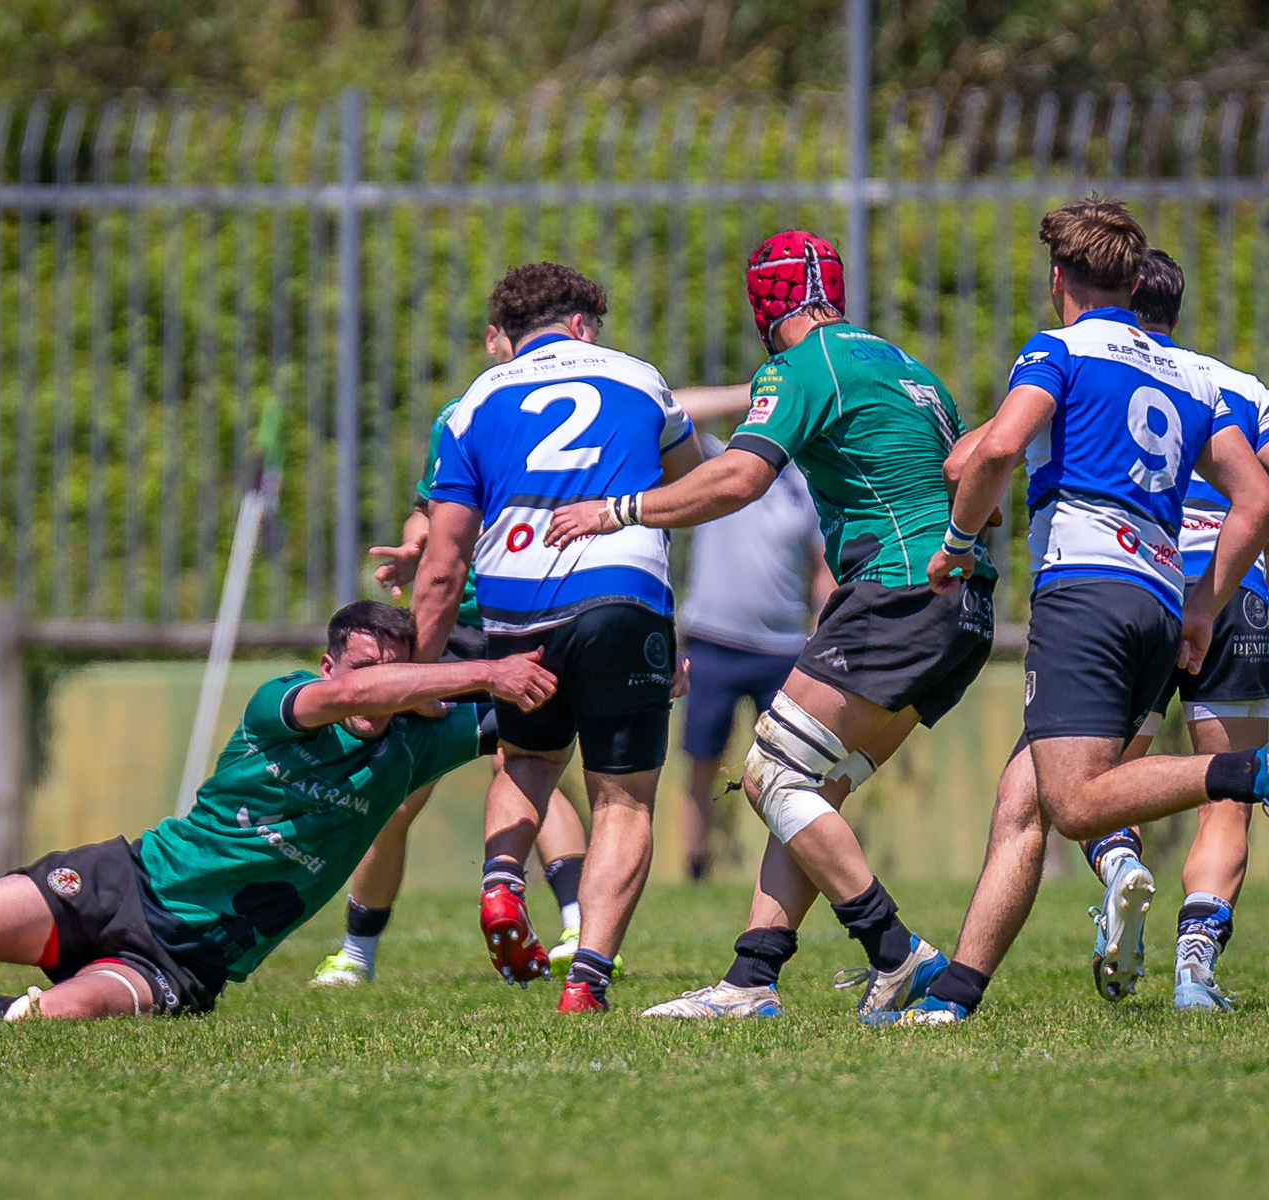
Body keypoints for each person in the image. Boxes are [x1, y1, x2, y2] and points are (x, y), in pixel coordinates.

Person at [0, 603, 557, 1025]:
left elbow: (539, 713)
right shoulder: (284, 700)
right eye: (365, 666)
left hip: (190, 958)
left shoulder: (413, 744)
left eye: (398, 669)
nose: (379, 686)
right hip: (122, 879)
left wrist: (639, 675)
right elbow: (375, 691)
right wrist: (481, 673)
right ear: (328, 664)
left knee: (47, 1024)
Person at [547, 230, 995, 1025]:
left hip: (898, 593)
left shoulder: (801, 365)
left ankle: (896, 951)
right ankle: (753, 978)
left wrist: (618, 510)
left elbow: (741, 478)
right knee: (807, 785)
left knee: (769, 777)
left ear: (764, 304)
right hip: (962, 603)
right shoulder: (904, 365)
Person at [895, 198, 1269, 1028]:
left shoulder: (1057, 351)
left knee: (1077, 806)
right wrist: (1204, 602)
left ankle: (1253, 772)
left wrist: (955, 541)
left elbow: (996, 448)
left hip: (1085, 592)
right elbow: (1263, 499)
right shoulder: (1194, 375)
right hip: (1159, 602)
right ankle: (955, 996)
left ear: (1059, 279)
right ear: (1136, 281)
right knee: (1025, 798)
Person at [412, 261, 701, 1013]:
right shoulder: (641, 378)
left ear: (510, 333)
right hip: (622, 590)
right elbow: (690, 493)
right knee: (623, 801)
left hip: (515, 602)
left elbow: (442, 567)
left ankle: (503, 886)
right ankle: (588, 981)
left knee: (527, 760)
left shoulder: (473, 403)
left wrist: (414, 676)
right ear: (582, 325)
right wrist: (667, 627)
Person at [1074, 249, 1269, 1013]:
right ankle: (1194, 970)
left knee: (1096, 781)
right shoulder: (1235, 386)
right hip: (1232, 597)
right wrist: (1229, 568)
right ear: (1177, 314)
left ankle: (1120, 867)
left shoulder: (1093, 368)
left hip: (1134, 588)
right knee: (1227, 795)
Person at [312, 326, 593, 989]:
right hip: (464, 624)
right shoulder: (469, 410)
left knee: (528, 763)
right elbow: (428, 511)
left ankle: (579, 925)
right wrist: (417, 546)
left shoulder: (576, 400)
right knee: (404, 790)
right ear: (497, 338)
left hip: (520, 616)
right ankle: (358, 953)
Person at [672, 388, 834, 882]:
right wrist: (749, 392)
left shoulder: (805, 484)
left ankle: (782, 872)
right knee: (702, 764)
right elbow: (669, 409)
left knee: (788, 771)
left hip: (784, 650)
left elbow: (821, 572)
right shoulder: (717, 459)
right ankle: (696, 871)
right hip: (714, 641)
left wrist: (820, 639)